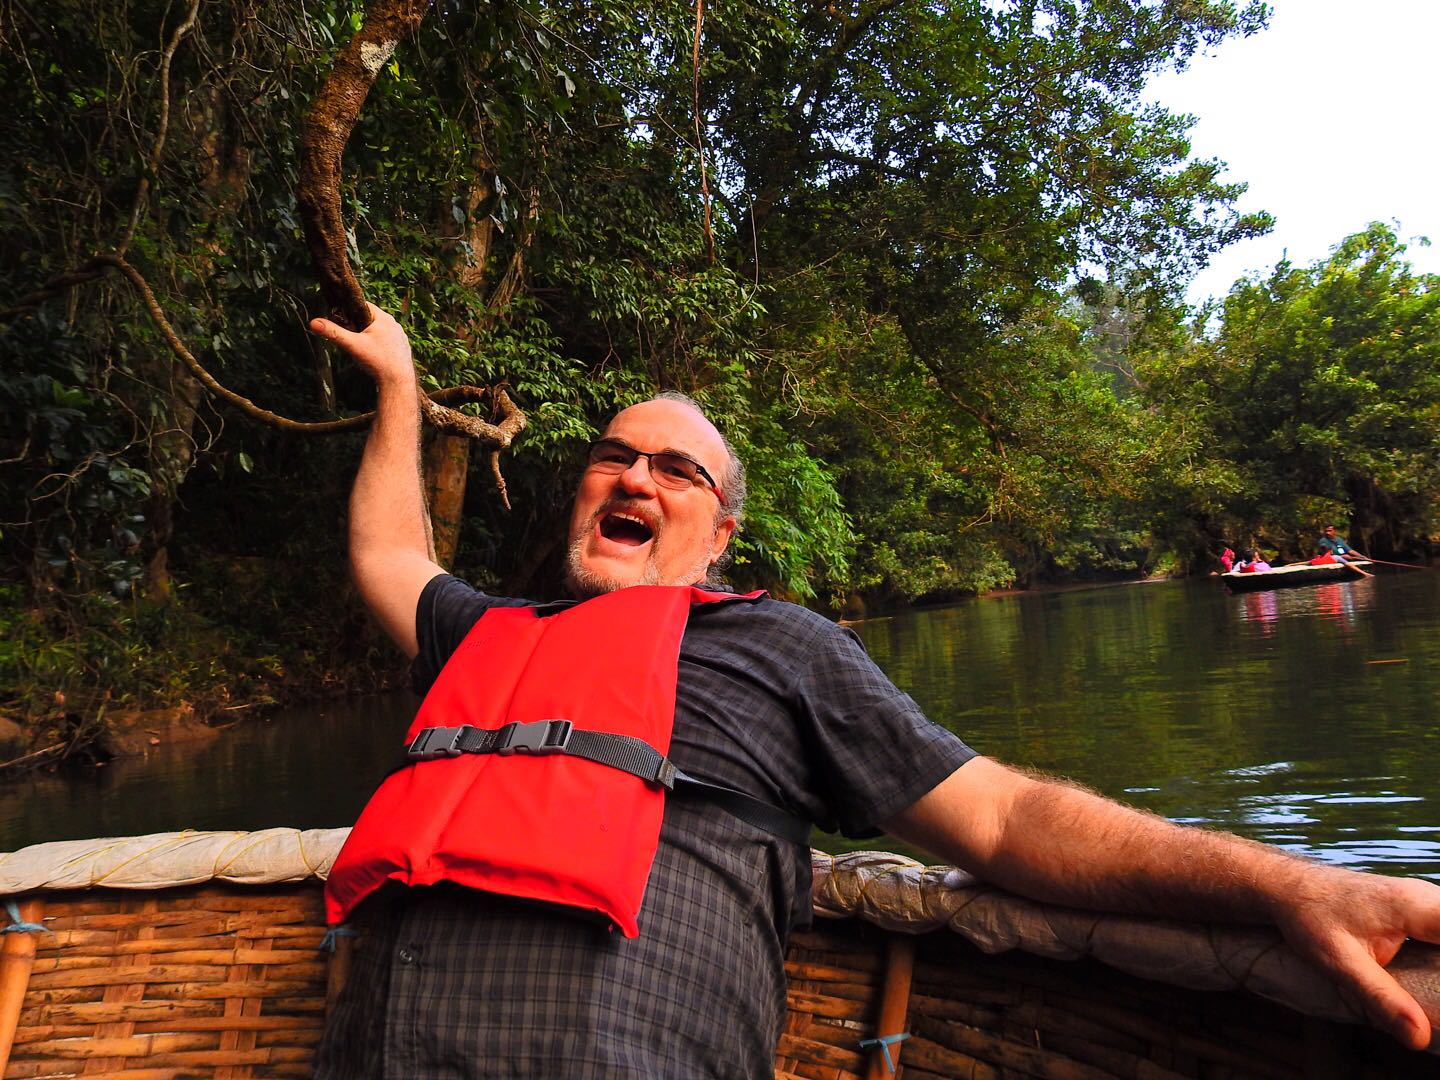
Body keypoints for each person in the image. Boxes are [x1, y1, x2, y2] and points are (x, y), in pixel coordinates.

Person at [310, 306, 1440, 1076]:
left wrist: (1287, 886)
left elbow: (1003, 819)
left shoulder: (779, 647)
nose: (635, 475)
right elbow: (388, 553)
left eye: (675, 468)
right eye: (613, 457)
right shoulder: (487, 632)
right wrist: (401, 385)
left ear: (721, 533)